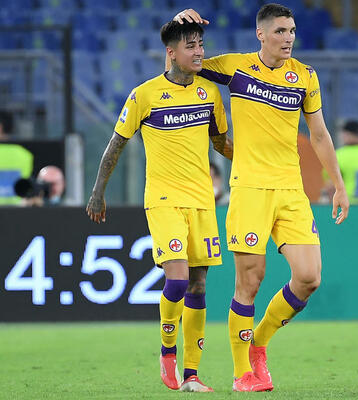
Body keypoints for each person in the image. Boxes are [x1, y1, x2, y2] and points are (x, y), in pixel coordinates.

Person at [173, 3, 349, 392]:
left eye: (292, 31)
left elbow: (319, 134)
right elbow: (180, 68)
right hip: (250, 189)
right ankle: (242, 374)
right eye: (280, 31)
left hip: (291, 190)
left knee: (309, 277)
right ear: (261, 34)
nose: (288, 38)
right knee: (249, 283)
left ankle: (259, 342)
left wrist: (338, 184)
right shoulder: (236, 67)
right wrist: (178, 26)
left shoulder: (305, 76)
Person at [86, 20, 233, 393]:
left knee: (198, 285)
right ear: (172, 52)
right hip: (164, 198)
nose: (199, 52)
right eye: (190, 46)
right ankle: (168, 351)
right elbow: (116, 143)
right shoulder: (145, 95)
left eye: (201, 44)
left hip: (202, 200)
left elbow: (220, 142)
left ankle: (192, 375)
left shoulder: (209, 92)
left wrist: (255, 159)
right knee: (178, 279)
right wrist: (98, 191)